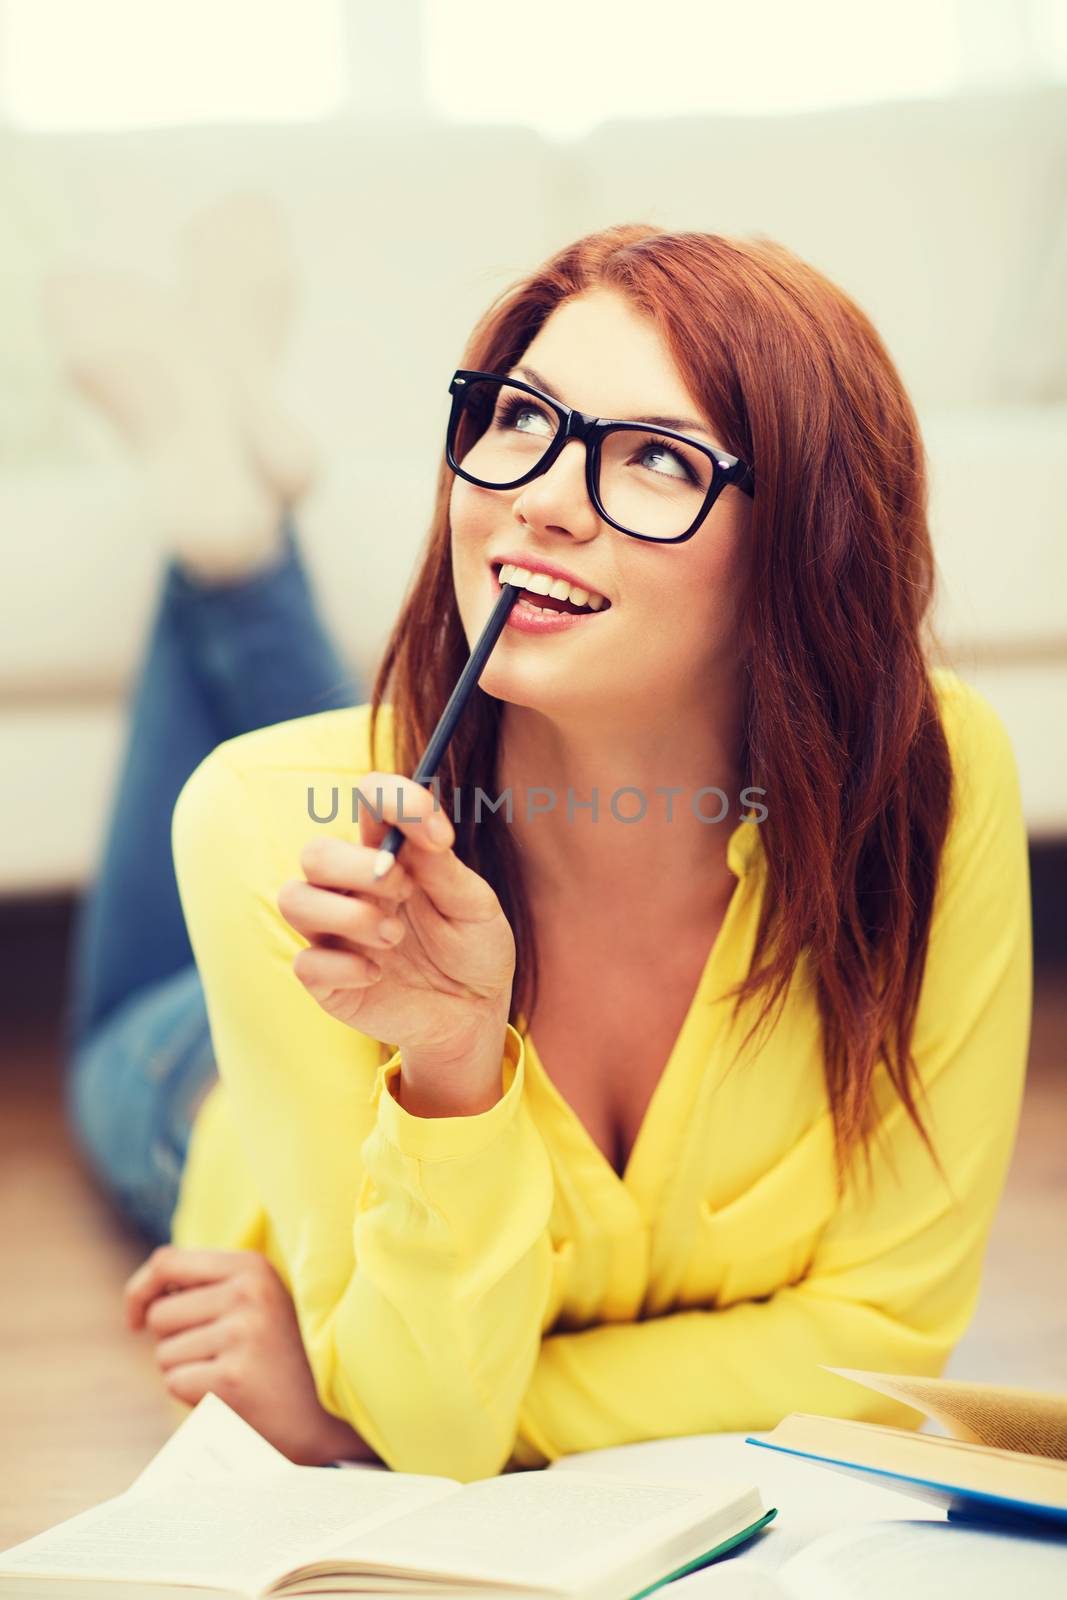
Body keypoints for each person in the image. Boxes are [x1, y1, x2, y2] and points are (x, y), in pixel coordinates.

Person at [117, 225, 1030, 1484]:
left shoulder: (927, 780)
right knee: (214, 898)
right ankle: (223, 540)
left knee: (344, 709)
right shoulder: (261, 825)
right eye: (519, 419)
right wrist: (446, 1059)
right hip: (200, 1077)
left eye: (655, 456)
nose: (534, 495)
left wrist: (351, 1398)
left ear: (806, 543)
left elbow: (883, 1337)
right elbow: (437, 1433)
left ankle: (227, 516)